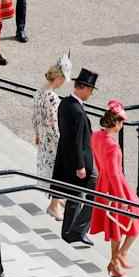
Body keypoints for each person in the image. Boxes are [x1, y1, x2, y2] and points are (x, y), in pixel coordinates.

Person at [89, 99, 139, 277]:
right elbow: (115, 174)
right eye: (121, 121)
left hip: (103, 183)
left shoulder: (96, 136)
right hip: (116, 186)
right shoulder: (113, 146)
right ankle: (120, 255)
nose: (122, 125)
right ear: (115, 122)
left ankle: (115, 262)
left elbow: (98, 163)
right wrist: (122, 198)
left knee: (114, 225)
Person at [53, 68, 99, 246]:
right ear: (85, 88)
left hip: (67, 159)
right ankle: (78, 230)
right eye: (91, 90)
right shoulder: (78, 112)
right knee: (92, 192)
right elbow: (76, 141)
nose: (90, 94)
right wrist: (81, 166)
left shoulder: (65, 103)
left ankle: (69, 232)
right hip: (80, 162)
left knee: (73, 195)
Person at [33, 52, 72, 221]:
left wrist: (36, 134)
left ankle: (58, 199)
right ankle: (54, 205)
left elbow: (35, 117)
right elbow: (54, 123)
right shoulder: (52, 98)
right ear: (59, 77)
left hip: (43, 138)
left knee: (53, 170)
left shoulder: (39, 91)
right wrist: (63, 141)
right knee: (59, 172)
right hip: (53, 141)